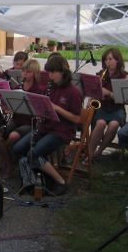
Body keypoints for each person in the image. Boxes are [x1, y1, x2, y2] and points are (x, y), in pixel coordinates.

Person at [12, 55, 81, 196]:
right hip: (45, 127)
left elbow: (76, 118)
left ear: (63, 71)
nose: (50, 76)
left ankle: (61, 181)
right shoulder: (51, 87)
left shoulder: (73, 92)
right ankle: (34, 177)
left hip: (61, 131)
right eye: (49, 73)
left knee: (33, 154)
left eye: (53, 72)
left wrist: (56, 108)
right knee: (18, 148)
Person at [88, 47, 128, 162]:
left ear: (117, 60)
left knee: (114, 125)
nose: (108, 62)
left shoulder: (125, 76)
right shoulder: (100, 75)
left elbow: (125, 99)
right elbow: (92, 92)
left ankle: (99, 152)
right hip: (102, 107)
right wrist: (92, 96)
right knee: (100, 123)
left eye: (110, 59)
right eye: (106, 59)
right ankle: (90, 153)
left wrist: (109, 93)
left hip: (117, 108)